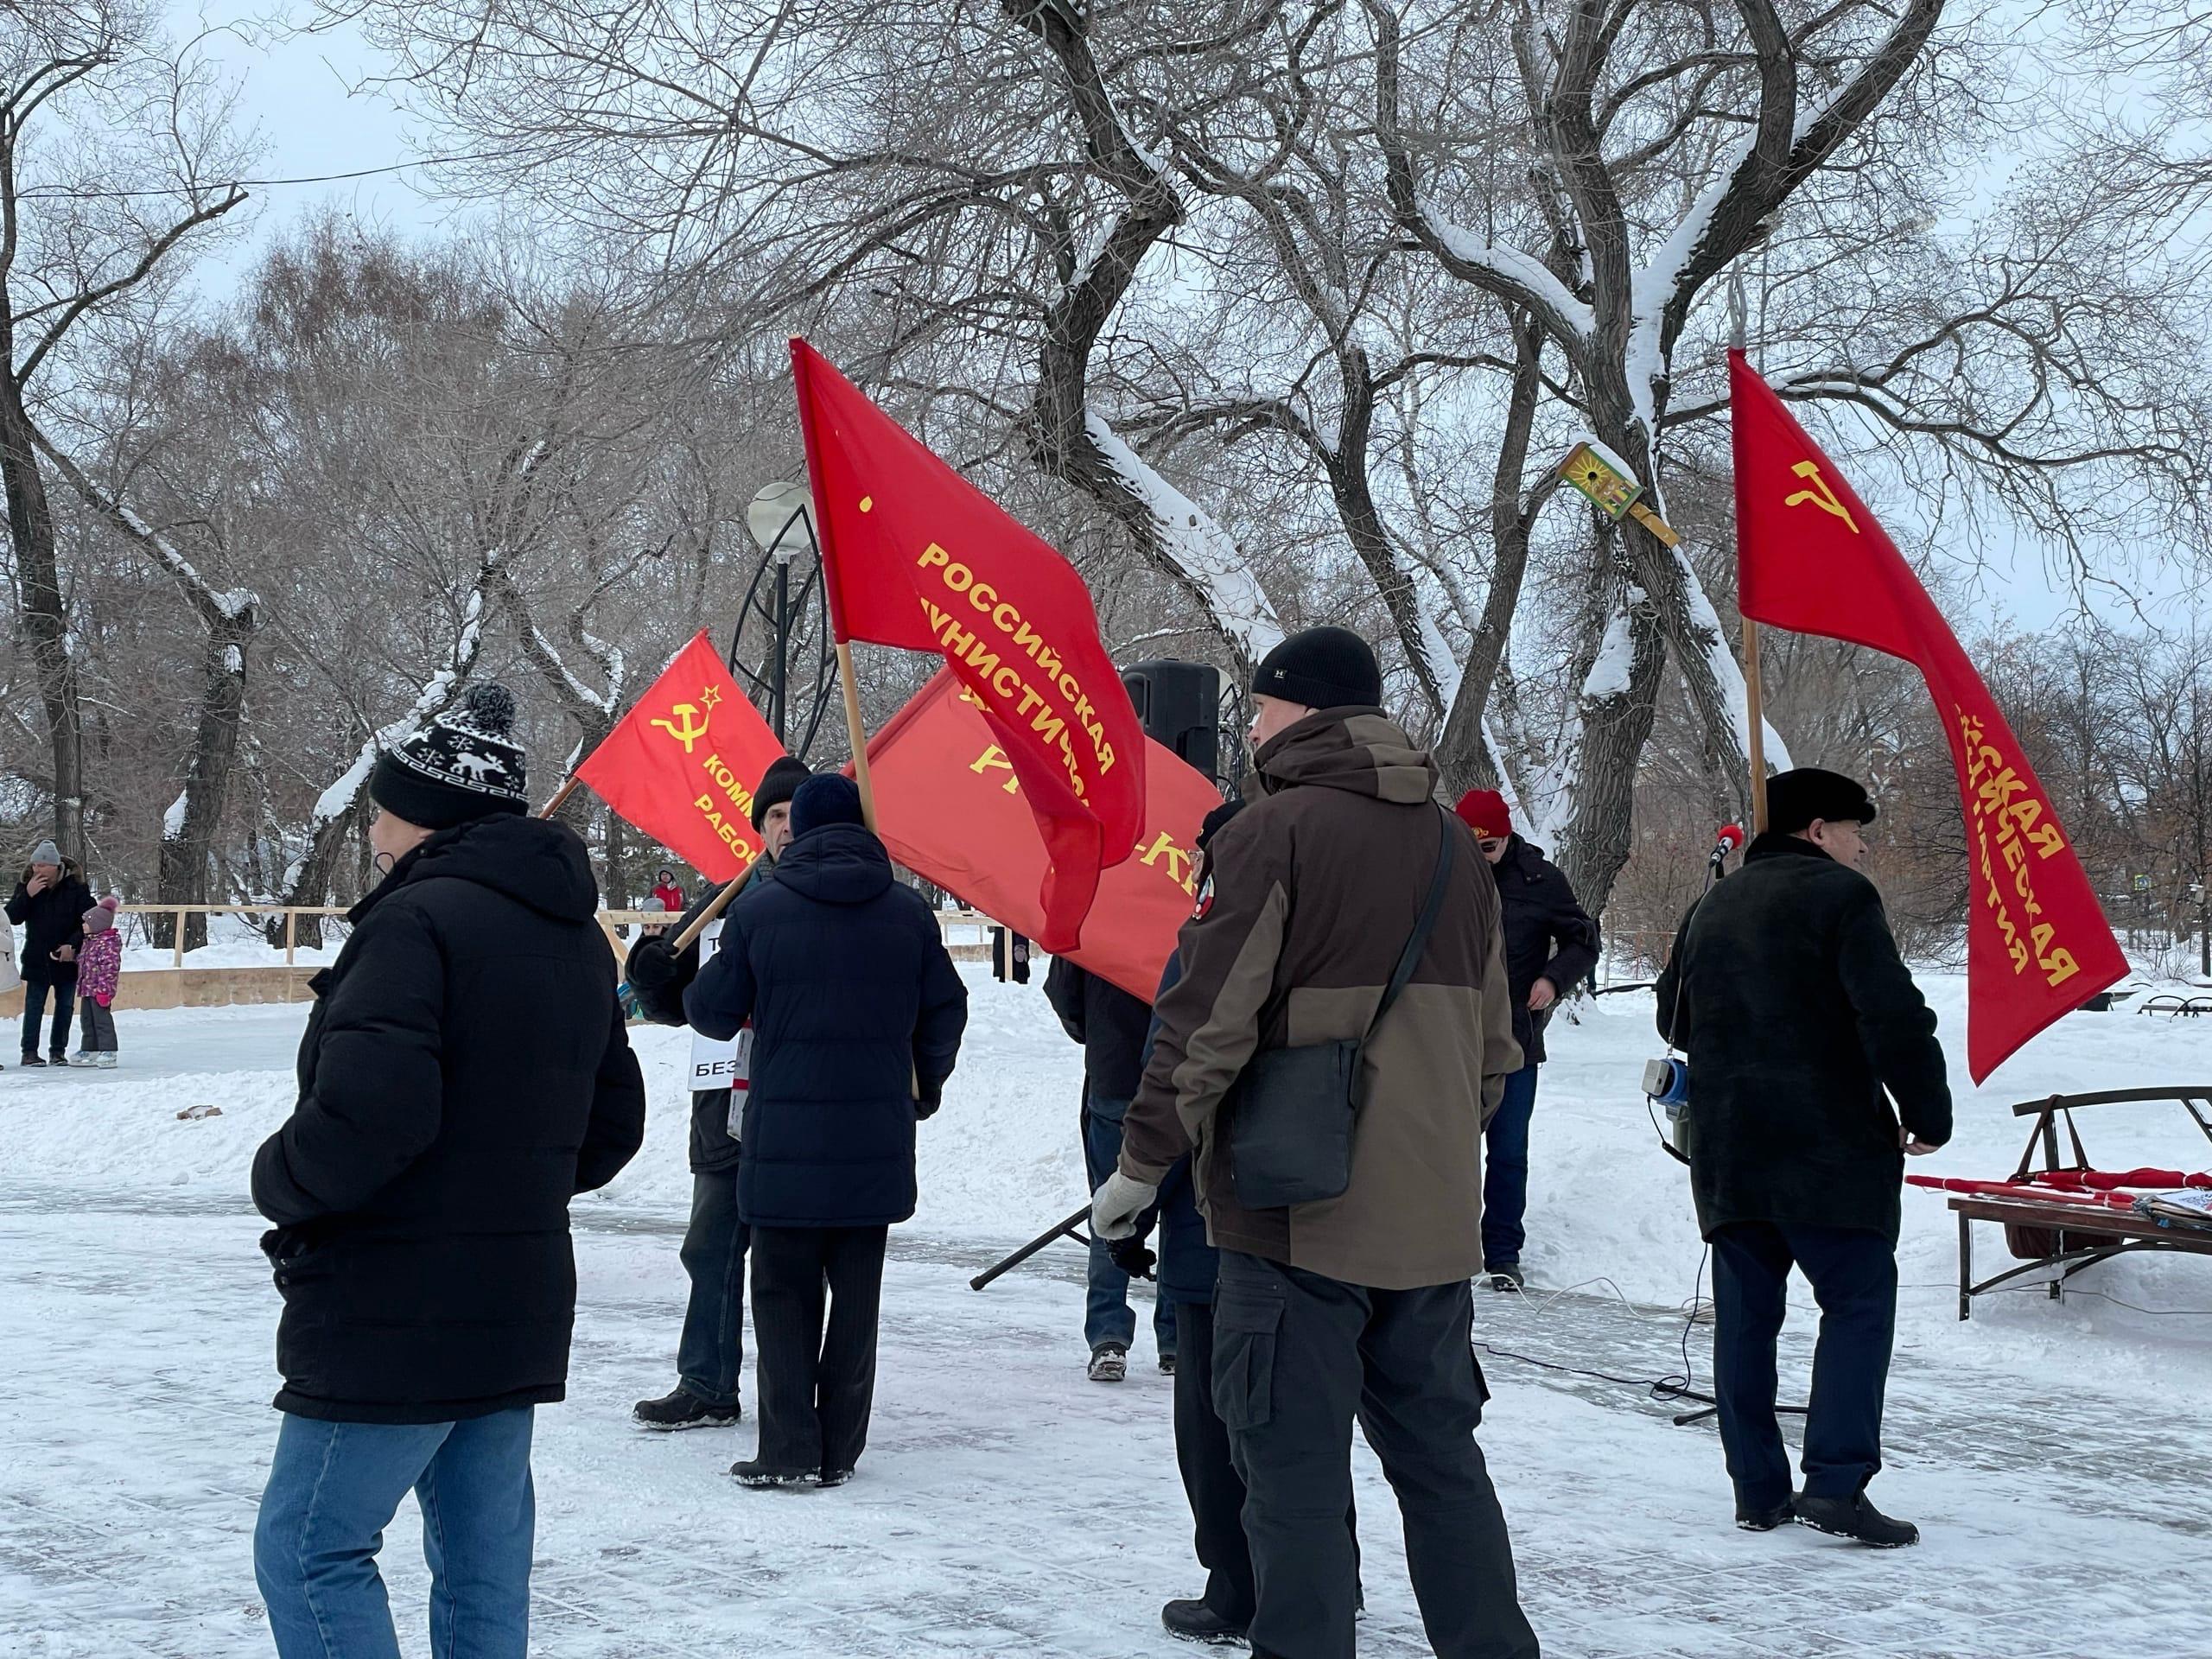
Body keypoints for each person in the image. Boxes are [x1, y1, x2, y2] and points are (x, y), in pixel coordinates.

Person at [1098, 625, 1538, 1659]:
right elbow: (1493, 1050)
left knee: (1290, 1483)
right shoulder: (1453, 851)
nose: (1249, 724)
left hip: (1294, 1216)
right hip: (1429, 1229)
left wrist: (1139, 1166)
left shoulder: (1268, 834)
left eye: (1259, 706)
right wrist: (1426, 1154)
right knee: (1443, 1469)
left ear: (1302, 711)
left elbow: (1203, 1023)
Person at [250, 683, 647, 1659]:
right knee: (481, 1561)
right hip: (513, 1295)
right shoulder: (574, 935)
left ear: (421, 815)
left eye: (383, 808)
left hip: (395, 1303)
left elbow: (367, 1122)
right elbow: (611, 1124)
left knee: (308, 1548)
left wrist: (277, 1179)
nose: (375, 828)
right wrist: (508, 1182)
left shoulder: (413, 922)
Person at [1654, 766, 1950, 1548]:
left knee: (1747, 1320)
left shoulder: (1710, 904)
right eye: (1855, 832)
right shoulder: (1842, 898)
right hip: (1828, 1148)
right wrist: (1926, 1111)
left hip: (1730, 1150)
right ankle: (1837, 1483)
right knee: (1855, 1306)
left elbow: (1671, 1020)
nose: (1861, 849)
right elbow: (1891, 1012)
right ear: (1817, 830)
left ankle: (1757, 1488)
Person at [687, 773, 968, 1488]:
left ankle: (786, 1449)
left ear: (801, 831)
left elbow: (713, 1013)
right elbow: (947, 1010)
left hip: (782, 1140)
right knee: (857, 1297)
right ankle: (841, 1446)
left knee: (781, 1294)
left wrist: (678, 977)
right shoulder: (909, 915)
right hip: (874, 1139)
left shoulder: (762, 911)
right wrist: (922, 1084)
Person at [625, 753, 810, 1430]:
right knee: (710, 1248)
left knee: (793, 1264)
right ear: (759, 826)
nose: (787, 828)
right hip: (723, 1111)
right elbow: (680, 1003)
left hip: (799, 1110)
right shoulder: (723, 899)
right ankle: (705, 1382)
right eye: (775, 816)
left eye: (797, 813)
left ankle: (794, 1396)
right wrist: (651, 977)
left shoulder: (828, 895)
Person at [1453, 789, 1599, 1291]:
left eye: (1490, 847)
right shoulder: (1442, 869)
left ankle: (1501, 1252)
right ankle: (1446, 1243)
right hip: (1450, 1035)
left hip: (1515, 1034)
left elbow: (1584, 938)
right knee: (1446, 1147)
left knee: (1508, 1150)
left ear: (1507, 835)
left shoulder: (1541, 879)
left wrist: (1554, 979)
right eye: (1474, 847)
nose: (1482, 856)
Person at [1043, 951, 1176, 1382]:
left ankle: (1108, 1337)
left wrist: (1100, 1032)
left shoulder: (1099, 897)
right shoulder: (1188, 899)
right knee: (1186, 1210)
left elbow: (1065, 994)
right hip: (1184, 1080)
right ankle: (1179, 1340)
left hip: (1114, 1073)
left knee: (1110, 1209)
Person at [9, 840, 92, 1067]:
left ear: (55, 866)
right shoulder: (27, 885)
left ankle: (58, 1051)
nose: (38, 870)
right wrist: (27, 894)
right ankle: (29, 1052)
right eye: (35, 865)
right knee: (34, 1006)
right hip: (37, 958)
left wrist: (72, 945)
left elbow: (89, 919)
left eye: (43, 866)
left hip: (66, 957)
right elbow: (11, 918)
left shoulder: (75, 887)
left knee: (65, 1006)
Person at [70, 896, 124, 1068]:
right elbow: (85, 961)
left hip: (100, 990)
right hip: (87, 988)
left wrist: (104, 991)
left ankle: (108, 1050)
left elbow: (110, 969)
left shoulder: (108, 944)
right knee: (87, 1020)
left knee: (102, 1021)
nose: (83, 925)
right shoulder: (90, 942)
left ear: (98, 924)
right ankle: (90, 1048)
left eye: (87, 922)